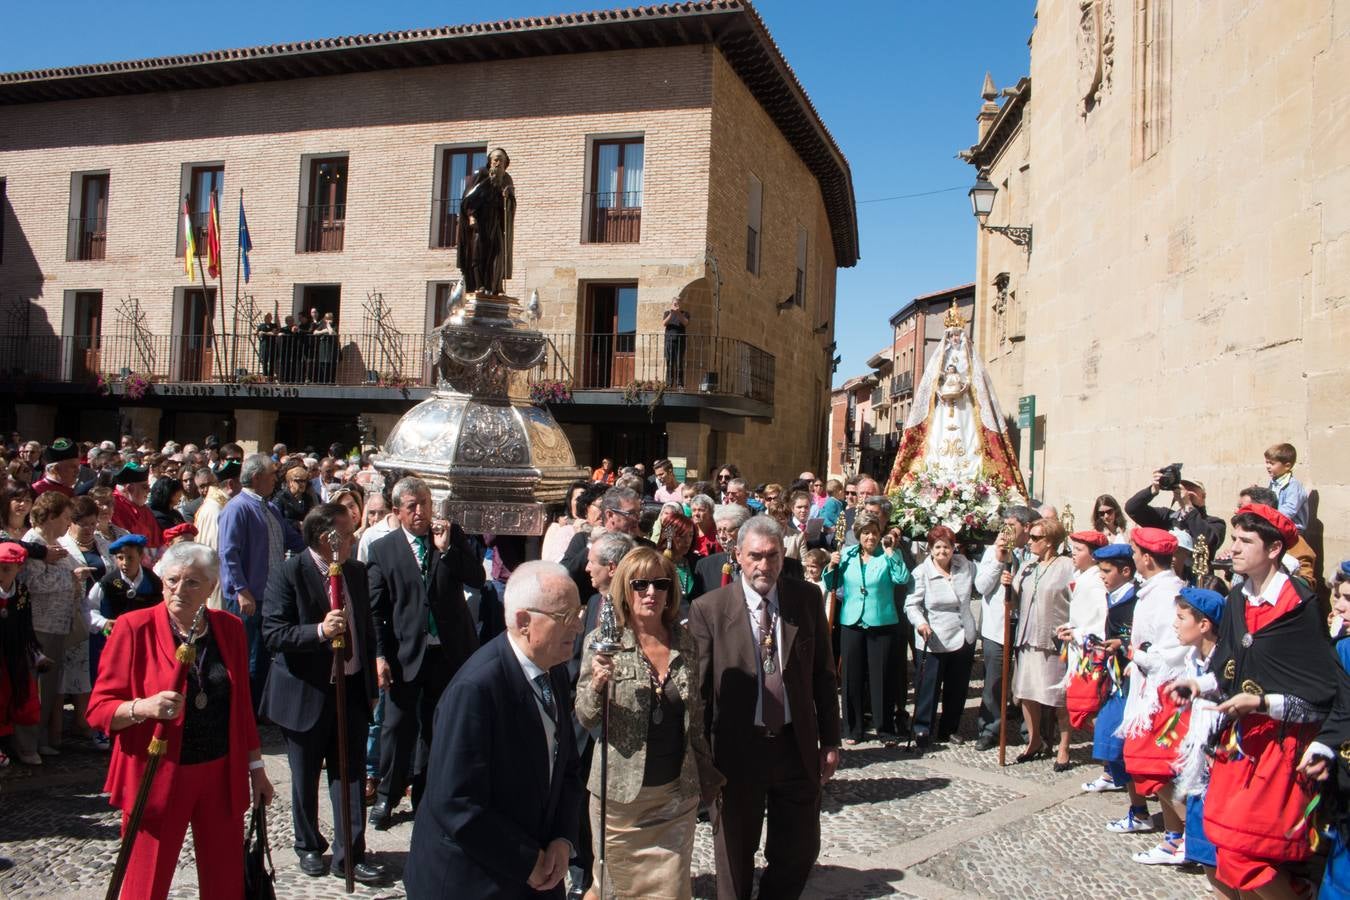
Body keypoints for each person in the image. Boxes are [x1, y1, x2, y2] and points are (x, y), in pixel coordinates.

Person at [86, 542, 275, 900]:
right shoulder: (133, 627)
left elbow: (242, 710)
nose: (179, 590)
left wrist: (257, 768)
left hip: (219, 771)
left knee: (225, 881)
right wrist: (143, 707)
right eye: (172, 580)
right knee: (147, 882)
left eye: (192, 583)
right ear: (160, 582)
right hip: (158, 775)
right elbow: (98, 709)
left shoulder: (229, 628)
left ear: (211, 587)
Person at [1178, 505, 1342, 894]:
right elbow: (1232, 668)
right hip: (1240, 744)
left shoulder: (1297, 605)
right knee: (1218, 844)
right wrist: (1201, 687)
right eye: (1234, 538)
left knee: (1247, 853)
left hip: (1281, 747)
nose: (1233, 548)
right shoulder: (1237, 600)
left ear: (1272, 550)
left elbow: (1320, 695)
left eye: (1244, 541)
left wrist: (1264, 703)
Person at [404, 561, 582, 899]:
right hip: (475, 879)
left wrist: (562, 837)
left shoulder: (554, 668)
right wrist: (527, 860)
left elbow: (567, 766)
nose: (576, 625)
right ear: (523, 622)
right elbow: (456, 800)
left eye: (579, 612)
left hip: (538, 870)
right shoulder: (477, 689)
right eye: (564, 617)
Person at [688, 515, 840, 900]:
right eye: (755, 556)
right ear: (738, 555)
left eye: (772, 556)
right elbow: (700, 694)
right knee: (735, 856)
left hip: (795, 744)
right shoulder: (710, 609)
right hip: (738, 751)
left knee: (800, 849)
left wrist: (831, 741)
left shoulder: (805, 599)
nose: (764, 565)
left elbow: (823, 673)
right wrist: (701, 760)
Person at [577, 547, 723, 899]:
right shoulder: (603, 643)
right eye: (640, 584)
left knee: (671, 890)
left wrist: (706, 775)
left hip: (675, 797)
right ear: (624, 590)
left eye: (660, 584)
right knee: (613, 888)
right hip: (620, 802)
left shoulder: (685, 642)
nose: (650, 593)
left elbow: (696, 718)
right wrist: (598, 683)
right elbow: (585, 715)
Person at [261, 504, 386, 884]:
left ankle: (351, 853)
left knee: (348, 774)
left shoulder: (357, 572)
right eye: (347, 534)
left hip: (349, 689)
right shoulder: (290, 572)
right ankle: (308, 844)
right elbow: (273, 633)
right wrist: (317, 631)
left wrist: (373, 670)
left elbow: (366, 626)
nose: (353, 539)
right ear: (324, 538)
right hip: (306, 691)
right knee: (305, 774)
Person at [367, 477, 483, 830]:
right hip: (407, 653)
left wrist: (447, 549)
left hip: (447, 650)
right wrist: (380, 655)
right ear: (398, 511)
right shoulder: (383, 549)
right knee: (397, 726)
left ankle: (426, 795)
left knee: (438, 726)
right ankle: (388, 795)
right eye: (412, 506)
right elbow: (377, 609)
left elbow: (477, 578)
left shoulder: (449, 536)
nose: (421, 512)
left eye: (426, 504)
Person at [566, 531, 636, 897]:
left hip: (619, 729)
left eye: (592, 561)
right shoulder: (594, 600)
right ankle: (582, 871)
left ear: (612, 567)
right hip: (584, 717)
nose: (586, 566)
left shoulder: (638, 609)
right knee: (577, 799)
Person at [1113, 527, 1187, 842]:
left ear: (1146, 558)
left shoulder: (1169, 594)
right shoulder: (1153, 589)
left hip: (1162, 695)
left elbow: (1172, 650)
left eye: (1134, 552)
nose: (1132, 557)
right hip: (1147, 689)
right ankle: (1173, 836)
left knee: (1156, 766)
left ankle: (1192, 835)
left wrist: (1135, 655)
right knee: (1148, 765)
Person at [218, 454, 306, 711]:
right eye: (271, 475)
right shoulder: (237, 508)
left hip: (270, 595)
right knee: (247, 656)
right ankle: (245, 711)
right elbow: (228, 553)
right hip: (248, 597)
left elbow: (294, 540)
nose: (276, 480)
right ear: (257, 478)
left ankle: (260, 707)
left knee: (265, 654)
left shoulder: (271, 508)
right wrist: (241, 590)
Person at [824, 511, 911, 746]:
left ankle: (885, 729)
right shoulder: (848, 555)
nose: (870, 537)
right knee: (851, 676)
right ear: (858, 535)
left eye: (874, 532)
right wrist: (831, 565)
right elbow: (832, 583)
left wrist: (892, 553)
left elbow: (902, 579)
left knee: (881, 676)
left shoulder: (888, 555)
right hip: (852, 621)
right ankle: (852, 728)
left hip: (881, 621)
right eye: (865, 533)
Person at [21, 491, 90, 757]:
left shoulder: (56, 543)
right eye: (65, 518)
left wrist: (74, 580)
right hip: (40, 625)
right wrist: (72, 579)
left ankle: (42, 740)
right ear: (50, 516)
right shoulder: (34, 541)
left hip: (58, 625)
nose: (68, 524)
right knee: (37, 688)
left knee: (49, 688)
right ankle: (30, 744)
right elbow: (34, 583)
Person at [1007, 517, 1074, 769]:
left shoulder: (1066, 566)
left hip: (1053, 638)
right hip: (1026, 636)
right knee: (1026, 692)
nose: (1031, 542)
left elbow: (1077, 598)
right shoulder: (1026, 566)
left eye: (1036, 538)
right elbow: (1013, 601)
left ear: (1050, 542)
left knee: (1058, 697)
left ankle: (1064, 746)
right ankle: (1034, 741)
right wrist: (1008, 586)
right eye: (1031, 537)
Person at [972, 505, 1040, 751]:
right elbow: (981, 586)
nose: (1007, 531)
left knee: (1026, 681)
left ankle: (1029, 731)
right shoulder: (993, 551)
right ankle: (989, 728)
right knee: (994, 681)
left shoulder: (1035, 553)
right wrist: (999, 562)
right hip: (997, 627)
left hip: (1025, 626)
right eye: (1005, 527)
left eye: (1012, 526)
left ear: (1026, 527)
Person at [905, 525, 977, 747]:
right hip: (934, 635)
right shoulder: (922, 573)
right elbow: (911, 604)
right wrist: (921, 623)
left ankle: (949, 728)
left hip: (963, 634)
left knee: (957, 686)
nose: (942, 551)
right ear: (930, 549)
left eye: (947, 547)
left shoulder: (964, 566)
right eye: (938, 547)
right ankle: (922, 728)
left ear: (954, 548)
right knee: (929, 685)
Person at [0, 542, 46, 766]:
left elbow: (26, 627)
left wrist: (35, 652)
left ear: (18, 568)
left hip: (15, 654)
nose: (1, 574)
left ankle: (23, 748)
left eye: (6, 569)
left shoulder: (21, 592)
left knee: (22, 699)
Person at [457, 146, 516, 296]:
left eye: (501, 161)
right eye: (495, 160)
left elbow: (511, 205)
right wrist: (471, 216)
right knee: (478, 253)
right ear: (490, 162)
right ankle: (479, 285)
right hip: (480, 223)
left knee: (498, 253)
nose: (498, 163)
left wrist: (508, 197)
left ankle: (496, 286)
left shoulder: (506, 179)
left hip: (496, 223)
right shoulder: (481, 175)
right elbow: (468, 199)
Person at [1124, 469, 1225, 553]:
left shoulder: (1215, 523)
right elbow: (1132, 508)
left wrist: (1187, 506)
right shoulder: (1168, 517)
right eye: (1182, 487)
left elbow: (1207, 541)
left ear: (1203, 495)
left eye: (1192, 489)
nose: (1185, 491)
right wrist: (1152, 490)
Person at [110, 462, 162, 550]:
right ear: (129, 488)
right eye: (145, 487)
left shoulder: (143, 507)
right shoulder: (114, 506)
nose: (149, 491)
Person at [1264, 442, 1308, 533]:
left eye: (1272, 463)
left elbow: (1289, 509)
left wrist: (1269, 516)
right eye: (1267, 462)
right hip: (1277, 525)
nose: (1267, 466)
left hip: (1292, 530)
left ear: (1287, 466)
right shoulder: (1274, 483)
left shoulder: (1293, 486)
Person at [662, 297, 690, 387]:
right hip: (669, 341)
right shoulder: (667, 313)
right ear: (671, 304)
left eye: (678, 304)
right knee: (669, 362)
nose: (676, 305)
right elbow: (664, 323)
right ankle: (669, 384)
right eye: (674, 304)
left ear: (680, 305)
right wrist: (671, 313)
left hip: (680, 341)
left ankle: (679, 384)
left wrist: (678, 313)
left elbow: (685, 323)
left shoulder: (685, 313)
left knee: (679, 363)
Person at [256, 312, 278, 380]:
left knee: (271, 360)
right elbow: (256, 332)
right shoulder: (261, 325)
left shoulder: (274, 325)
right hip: (264, 345)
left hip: (272, 345)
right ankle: (265, 375)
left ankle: (271, 375)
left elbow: (273, 333)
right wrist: (259, 332)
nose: (267, 319)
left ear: (271, 318)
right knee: (264, 360)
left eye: (268, 317)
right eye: (266, 317)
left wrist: (264, 333)